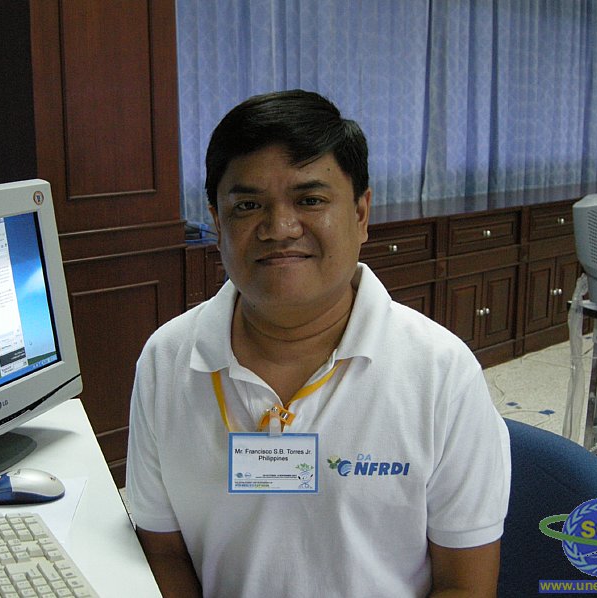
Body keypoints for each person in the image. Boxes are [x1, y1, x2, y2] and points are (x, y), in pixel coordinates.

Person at [126, 90, 510, 597]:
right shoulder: (167, 359)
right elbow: (162, 553)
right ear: (218, 224)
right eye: (247, 206)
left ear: (361, 213)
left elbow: (464, 585)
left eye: (310, 200)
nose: (280, 229)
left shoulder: (441, 373)